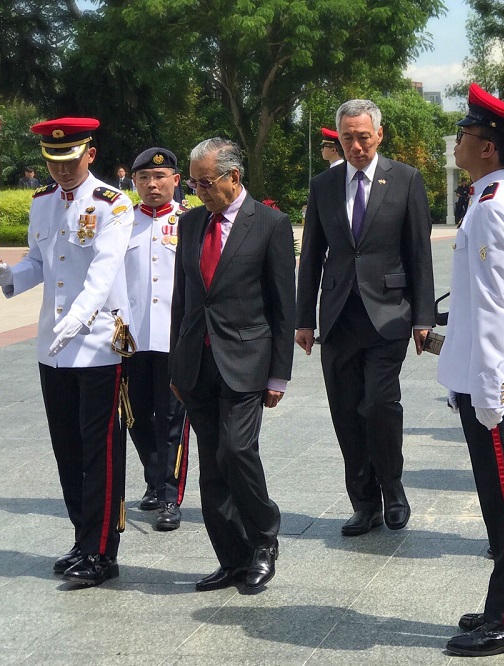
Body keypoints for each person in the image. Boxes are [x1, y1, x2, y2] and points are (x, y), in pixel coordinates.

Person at [0, 117, 134, 586]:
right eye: (52, 161)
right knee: (67, 449)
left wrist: (82, 316)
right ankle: (82, 538)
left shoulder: (114, 203)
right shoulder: (43, 202)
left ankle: (102, 551)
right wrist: (8, 277)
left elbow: (104, 270)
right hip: (54, 346)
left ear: (89, 153)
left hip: (98, 343)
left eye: (69, 160)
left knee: (101, 452)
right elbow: (37, 261)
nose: (61, 171)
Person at [296, 99, 435, 537]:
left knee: (378, 405)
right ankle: (364, 502)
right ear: (338, 137)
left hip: (389, 314)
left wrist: (423, 316)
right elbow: (312, 255)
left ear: (379, 134)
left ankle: (393, 489)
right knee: (345, 412)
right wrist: (304, 319)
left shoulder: (406, 180)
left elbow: (419, 252)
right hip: (338, 317)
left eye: (363, 136)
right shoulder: (324, 185)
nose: (356, 145)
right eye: (347, 137)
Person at [439, 82, 504, 657]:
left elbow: (499, 307)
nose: (458, 142)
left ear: (488, 148)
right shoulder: (486, 199)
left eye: (466, 134)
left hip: (495, 377)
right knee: (496, 501)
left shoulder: (497, 207)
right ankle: (501, 600)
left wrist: (487, 387)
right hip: (485, 373)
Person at [170, 137, 297, 591]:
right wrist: (175, 364)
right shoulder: (189, 224)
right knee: (212, 464)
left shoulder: (270, 224)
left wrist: (279, 373)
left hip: (247, 359)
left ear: (233, 177)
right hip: (196, 362)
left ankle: (264, 538)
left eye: (206, 183)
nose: (199, 191)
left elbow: (285, 306)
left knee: (237, 451)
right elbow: (182, 299)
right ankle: (232, 557)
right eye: (194, 183)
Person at [124, 147, 190, 531]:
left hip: (173, 337)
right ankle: (155, 476)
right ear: (133, 182)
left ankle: (168, 495)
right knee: (134, 415)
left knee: (171, 419)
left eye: (160, 177)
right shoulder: (121, 222)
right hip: (129, 338)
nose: (153, 184)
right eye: (145, 177)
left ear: (176, 181)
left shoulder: (189, 221)